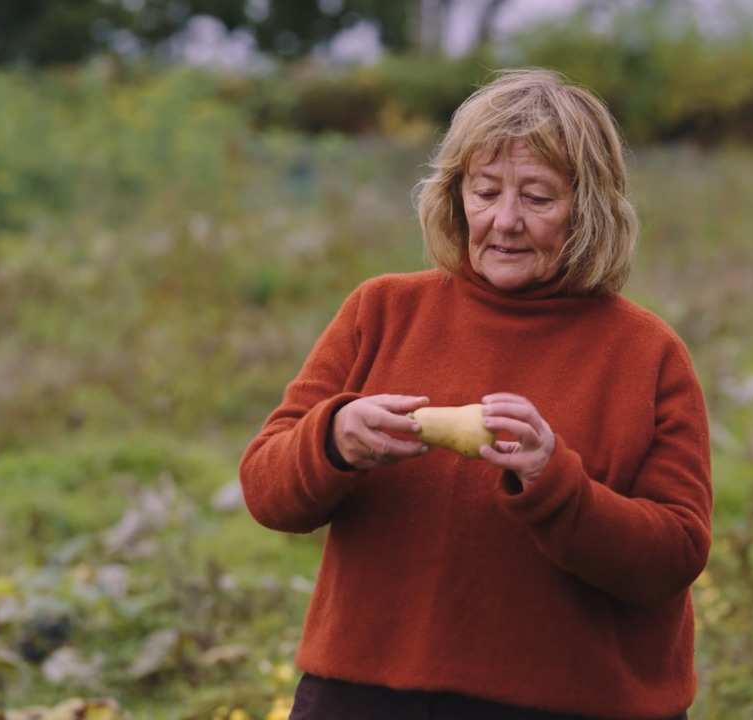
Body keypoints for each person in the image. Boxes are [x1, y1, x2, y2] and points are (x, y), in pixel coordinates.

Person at [240, 68, 712, 720]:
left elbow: (674, 555)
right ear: (455, 194)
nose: (506, 221)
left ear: (591, 209)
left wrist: (556, 483)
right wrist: (334, 439)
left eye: (539, 198)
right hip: (366, 695)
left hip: (578, 706)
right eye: (485, 191)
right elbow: (266, 491)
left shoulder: (647, 354)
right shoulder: (381, 312)